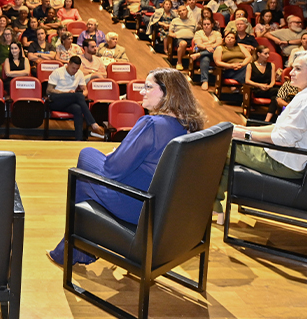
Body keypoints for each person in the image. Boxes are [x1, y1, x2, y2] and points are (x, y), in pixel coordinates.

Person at [48, 67, 205, 266]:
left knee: (87, 156)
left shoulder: (151, 124)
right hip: (166, 207)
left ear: (168, 93)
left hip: (137, 204)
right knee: (86, 181)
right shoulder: (190, 126)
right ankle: (73, 250)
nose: (142, 92)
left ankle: (76, 250)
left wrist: (117, 153)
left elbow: (113, 169)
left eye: (148, 87)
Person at [214, 51, 307, 224]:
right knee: (229, 142)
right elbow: (281, 128)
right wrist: (246, 129)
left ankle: (208, 205)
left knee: (222, 145)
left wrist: (246, 135)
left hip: (285, 162)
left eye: (298, 69)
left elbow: (283, 139)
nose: (291, 72)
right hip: (293, 159)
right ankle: (214, 205)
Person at [47, 56, 104, 140]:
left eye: (77, 69)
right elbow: (48, 90)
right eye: (73, 68)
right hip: (56, 100)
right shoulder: (57, 72)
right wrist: (66, 94)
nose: (74, 71)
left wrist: (80, 96)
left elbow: (85, 90)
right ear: (68, 64)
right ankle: (93, 123)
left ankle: (79, 139)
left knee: (77, 108)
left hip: (70, 101)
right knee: (77, 95)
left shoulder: (79, 73)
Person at [245, 46, 279, 122]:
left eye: (268, 53)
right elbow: (247, 80)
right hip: (257, 89)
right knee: (278, 92)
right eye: (265, 53)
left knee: (276, 97)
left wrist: (269, 86)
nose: (268, 56)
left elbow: (273, 80)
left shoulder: (271, 65)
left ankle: (267, 120)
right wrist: (260, 85)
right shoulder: (251, 65)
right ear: (259, 54)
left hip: (268, 89)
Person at [192, 18, 223, 91]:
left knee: (218, 48)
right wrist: (207, 47)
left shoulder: (217, 33)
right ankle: (205, 81)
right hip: (201, 50)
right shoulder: (198, 33)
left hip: (215, 53)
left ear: (212, 25)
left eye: (208, 24)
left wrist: (211, 47)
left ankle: (200, 54)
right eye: (204, 24)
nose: (206, 26)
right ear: (202, 25)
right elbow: (198, 44)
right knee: (205, 58)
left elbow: (219, 42)